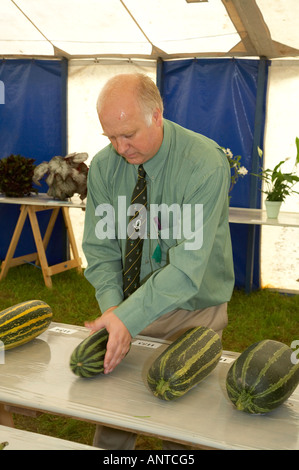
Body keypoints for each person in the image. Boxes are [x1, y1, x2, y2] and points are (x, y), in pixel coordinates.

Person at [82, 72, 235, 449]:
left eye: (128, 134)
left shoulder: (205, 164)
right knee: (112, 424)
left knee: (183, 430)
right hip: (126, 305)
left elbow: (187, 269)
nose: (120, 148)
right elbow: (100, 251)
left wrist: (125, 318)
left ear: (157, 115)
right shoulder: (104, 167)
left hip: (192, 314)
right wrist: (116, 309)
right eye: (111, 138)